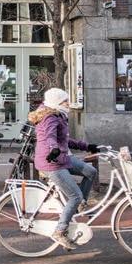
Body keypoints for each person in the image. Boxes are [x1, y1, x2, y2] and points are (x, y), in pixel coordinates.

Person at [30, 87, 98, 251]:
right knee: (75, 196)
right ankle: (60, 231)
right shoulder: (50, 118)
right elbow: (50, 137)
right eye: (65, 101)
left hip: (61, 157)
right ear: (56, 103)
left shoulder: (58, 115)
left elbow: (65, 140)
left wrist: (87, 146)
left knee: (90, 171)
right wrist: (53, 149)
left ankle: (80, 205)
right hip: (52, 162)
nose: (68, 103)